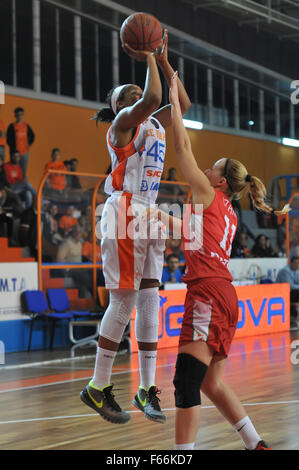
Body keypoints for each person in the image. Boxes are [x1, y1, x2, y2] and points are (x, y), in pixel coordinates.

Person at [150, 72, 289, 450]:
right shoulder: (223, 209)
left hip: (208, 294)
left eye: (213, 167)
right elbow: (188, 231)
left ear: (221, 182)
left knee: (186, 382)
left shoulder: (206, 192)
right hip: (225, 295)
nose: (206, 169)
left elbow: (181, 147)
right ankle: (255, 443)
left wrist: (176, 103)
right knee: (211, 383)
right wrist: (153, 213)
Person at [80, 30, 191, 425]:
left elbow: (181, 102)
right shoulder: (124, 125)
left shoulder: (154, 122)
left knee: (148, 301)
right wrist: (147, 55)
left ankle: (146, 389)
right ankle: (97, 386)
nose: (136, 92)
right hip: (124, 211)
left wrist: (163, 60)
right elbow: (156, 98)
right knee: (124, 302)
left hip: (147, 213)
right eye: (128, 92)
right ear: (119, 105)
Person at [6, 107, 35, 178]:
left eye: (21, 115)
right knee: (14, 172)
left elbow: (33, 136)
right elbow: (8, 139)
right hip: (15, 154)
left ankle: (22, 187)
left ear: (23, 115)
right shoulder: (12, 126)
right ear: (15, 116)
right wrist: (13, 151)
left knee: (23, 173)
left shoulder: (26, 126)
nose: (19, 116)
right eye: (18, 115)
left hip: (25, 153)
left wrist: (28, 144)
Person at [276, 257, 299, 330]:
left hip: (292, 292)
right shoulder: (285, 271)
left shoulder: (297, 271)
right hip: (282, 293)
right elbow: (290, 286)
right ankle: (293, 317)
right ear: (291, 263)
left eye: (298, 263)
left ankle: (294, 316)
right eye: (296, 263)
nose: (297, 265)